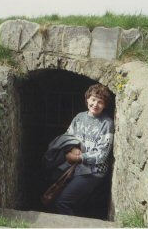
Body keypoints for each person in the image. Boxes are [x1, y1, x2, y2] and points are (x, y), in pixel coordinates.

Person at [50, 83, 114, 215]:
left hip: (93, 171)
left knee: (62, 202)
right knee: (50, 184)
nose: (96, 104)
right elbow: (67, 136)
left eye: (100, 102)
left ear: (105, 105)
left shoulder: (107, 123)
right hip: (75, 167)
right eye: (93, 99)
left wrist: (79, 158)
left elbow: (102, 153)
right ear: (87, 99)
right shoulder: (79, 117)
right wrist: (71, 149)